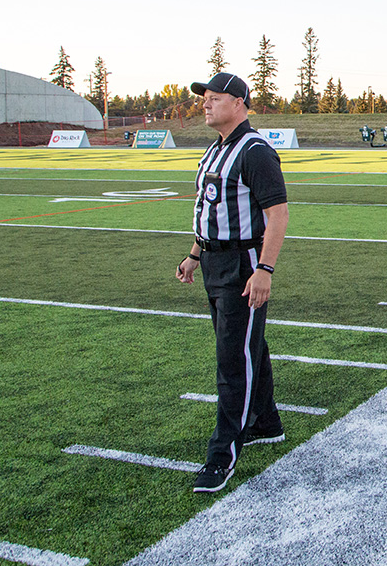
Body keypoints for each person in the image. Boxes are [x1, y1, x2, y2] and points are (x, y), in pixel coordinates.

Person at [176, 72, 289, 493]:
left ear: (239, 102)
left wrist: (265, 269)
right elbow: (211, 208)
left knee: (232, 360)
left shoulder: (255, 151)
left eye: (214, 98)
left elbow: (277, 214)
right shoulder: (214, 149)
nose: (205, 104)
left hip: (243, 264)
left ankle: (222, 456)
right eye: (203, 98)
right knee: (248, 347)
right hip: (213, 261)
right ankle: (266, 421)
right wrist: (194, 253)